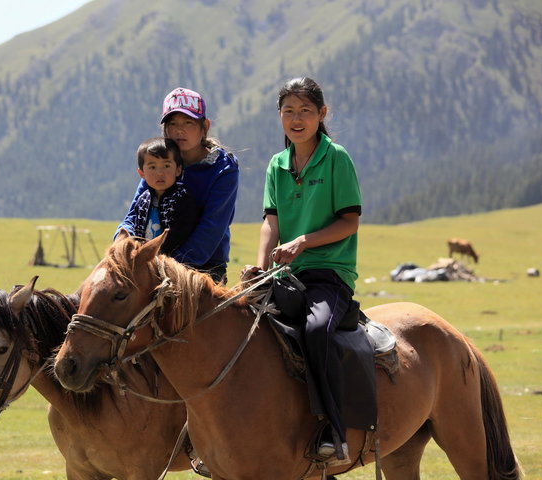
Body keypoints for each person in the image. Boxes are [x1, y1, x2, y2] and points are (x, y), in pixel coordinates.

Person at [241, 77, 362, 465]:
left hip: (329, 273)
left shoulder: (337, 157)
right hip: (282, 276)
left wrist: (303, 242)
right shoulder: (276, 165)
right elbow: (270, 223)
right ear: (279, 116)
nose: (297, 118)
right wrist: (258, 270)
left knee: (315, 330)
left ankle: (334, 429)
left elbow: (349, 222)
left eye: (305, 110)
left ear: (321, 114)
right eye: (289, 111)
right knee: (237, 327)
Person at [117, 87, 239, 284]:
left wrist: (164, 268)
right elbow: (135, 212)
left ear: (204, 126)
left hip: (202, 269)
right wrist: (121, 243)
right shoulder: (160, 161)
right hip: (150, 266)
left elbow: (210, 230)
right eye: (172, 123)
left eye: (188, 122)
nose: (179, 130)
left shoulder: (223, 168)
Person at [118, 136, 200, 256]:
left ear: (178, 170)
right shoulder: (143, 200)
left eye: (166, 166)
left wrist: (160, 254)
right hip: (143, 261)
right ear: (142, 173)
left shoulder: (182, 198)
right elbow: (136, 229)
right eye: (152, 167)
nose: (160, 173)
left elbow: (182, 233)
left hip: (171, 264)